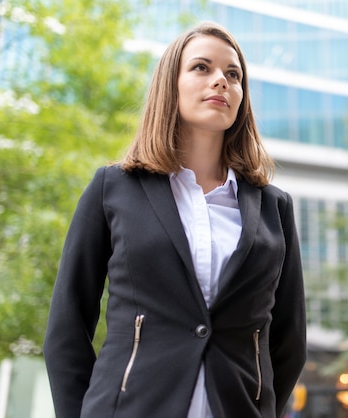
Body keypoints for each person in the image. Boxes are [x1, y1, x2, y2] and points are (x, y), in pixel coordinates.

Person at [43, 21, 307, 418]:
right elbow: (68, 324)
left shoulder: (274, 207)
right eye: (202, 67)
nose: (221, 81)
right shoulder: (113, 188)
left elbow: (289, 339)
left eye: (233, 75)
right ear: (172, 84)